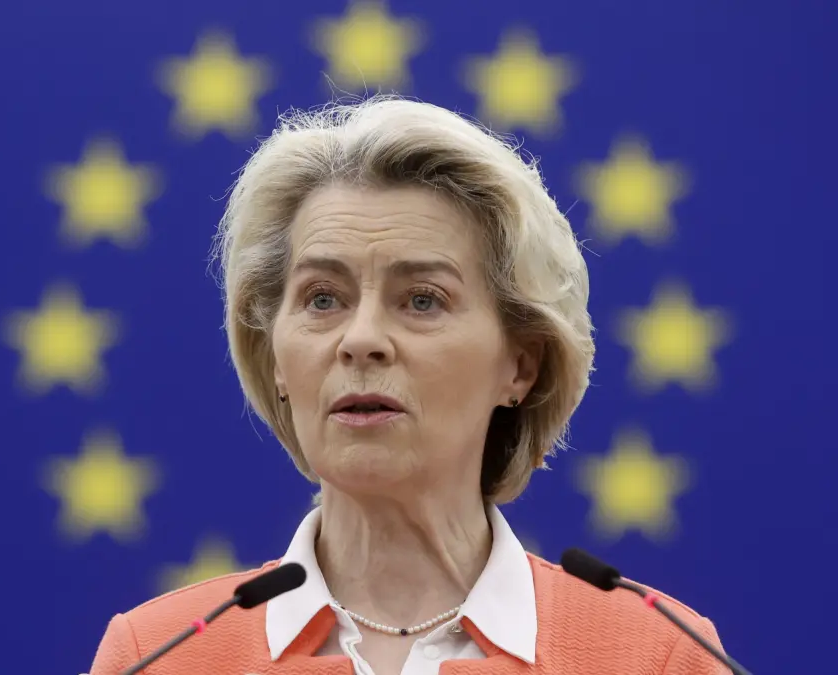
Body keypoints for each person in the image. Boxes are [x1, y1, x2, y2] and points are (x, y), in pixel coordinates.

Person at [88, 96, 726, 675]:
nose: (361, 339)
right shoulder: (157, 656)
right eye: (322, 298)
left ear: (521, 366)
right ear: (276, 357)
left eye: (422, 299)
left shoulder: (656, 656)